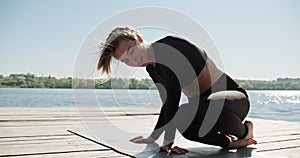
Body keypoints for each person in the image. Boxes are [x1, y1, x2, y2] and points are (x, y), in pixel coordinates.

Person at [97, 26, 257, 155]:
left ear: (139, 39)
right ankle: (231, 143)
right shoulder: (152, 69)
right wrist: (153, 137)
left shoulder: (168, 48)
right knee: (185, 123)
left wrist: (168, 140)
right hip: (206, 108)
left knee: (184, 113)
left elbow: (174, 99)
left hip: (234, 99)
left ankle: (245, 131)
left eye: (131, 51)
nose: (133, 60)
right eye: (125, 60)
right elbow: (167, 103)